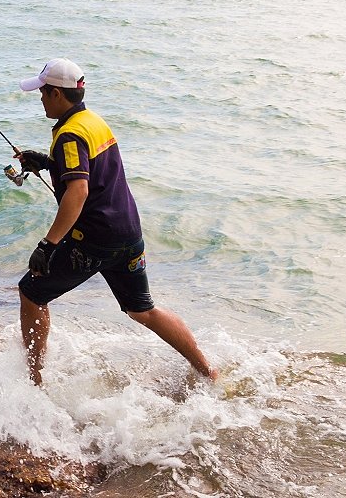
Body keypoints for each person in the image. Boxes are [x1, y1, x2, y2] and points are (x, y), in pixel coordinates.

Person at [14, 58, 217, 386]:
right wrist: (49, 164)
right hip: (128, 233)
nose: (39, 98)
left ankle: (34, 381)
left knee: (31, 292)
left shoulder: (68, 136)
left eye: (42, 92)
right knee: (142, 310)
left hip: (95, 240)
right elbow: (93, 172)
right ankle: (208, 371)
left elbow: (78, 191)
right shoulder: (92, 122)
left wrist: (47, 244)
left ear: (56, 94)